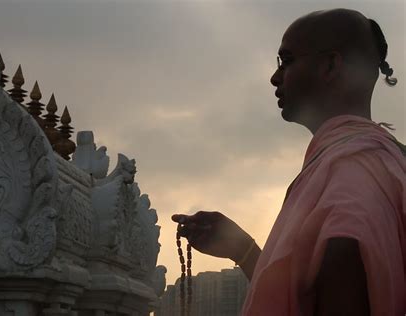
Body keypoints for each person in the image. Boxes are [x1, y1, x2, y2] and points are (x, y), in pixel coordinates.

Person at [172, 8, 405, 316]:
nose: (274, 77)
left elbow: (345, 264)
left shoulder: (350, 173)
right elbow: (307, 298)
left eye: (287, 61)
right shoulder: (380, 162)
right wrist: (243, 250)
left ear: (330, 65)